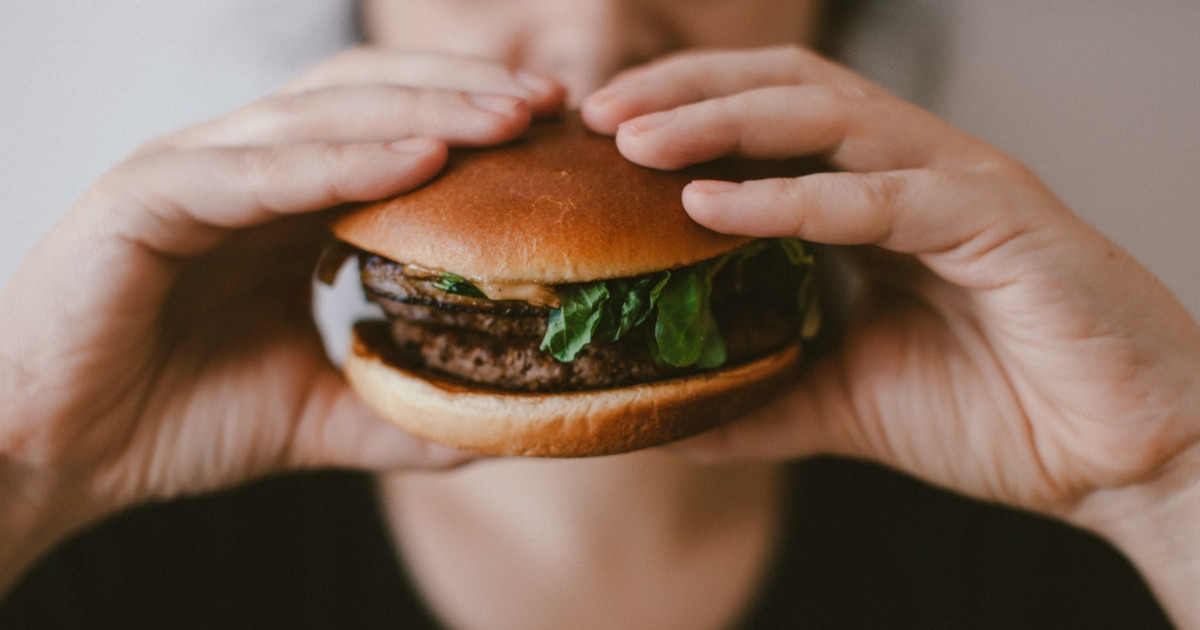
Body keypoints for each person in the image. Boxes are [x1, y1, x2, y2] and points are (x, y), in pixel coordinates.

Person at [1, 1, 1196, 628]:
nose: (592, 33)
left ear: (825, 15)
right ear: (365, 18)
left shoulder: (1062, 550)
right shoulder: (106, 551)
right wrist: (26, 465)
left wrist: (1171, 483)